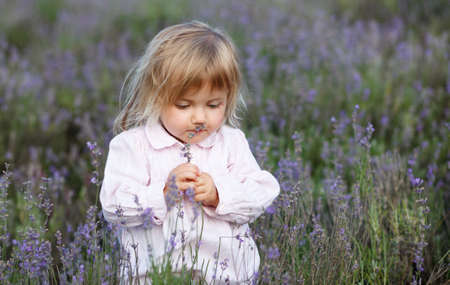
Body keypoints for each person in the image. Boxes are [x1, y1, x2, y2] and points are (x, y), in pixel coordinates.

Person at [100, 20, 280, 284]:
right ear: (155, 96)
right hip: (153, 277)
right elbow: (114, 206)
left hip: (223, 275)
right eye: (184, 105)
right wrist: (162, 194)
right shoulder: (132, 146)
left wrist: (220, 194)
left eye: (213, 104)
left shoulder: (231, 143)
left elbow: (263, 191)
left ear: (228, 99)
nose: (199, 117)